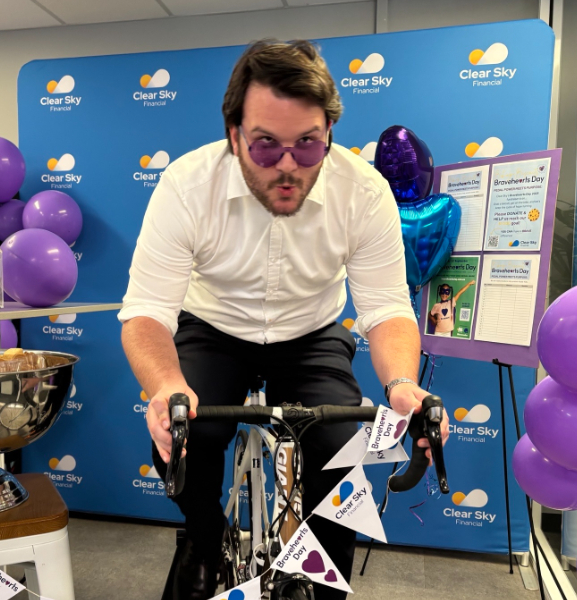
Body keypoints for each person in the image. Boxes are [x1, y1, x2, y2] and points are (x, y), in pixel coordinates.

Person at [118, 39, 449, 600]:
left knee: (338, 453)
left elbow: (387, 307)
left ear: (329, 133)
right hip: (214, 326)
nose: (289, 166)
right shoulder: (186, 184)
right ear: (234, 135)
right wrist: (167, 385)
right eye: (266, 145)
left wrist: (401, 384)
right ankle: (203, 537)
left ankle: (325, 576)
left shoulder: (364, 190)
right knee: (187, 434)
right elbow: (147, 311)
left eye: (309, 144)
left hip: (310, 333)